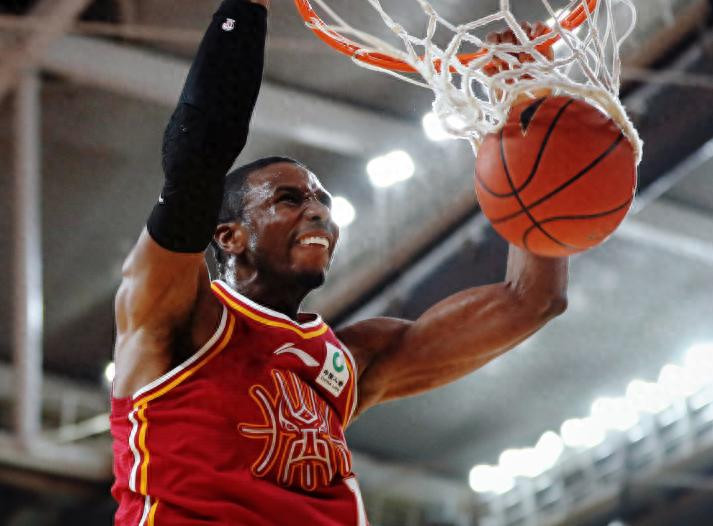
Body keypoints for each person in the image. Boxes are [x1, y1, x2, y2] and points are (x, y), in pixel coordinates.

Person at [110, 1, 568, 525]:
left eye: (323, 202)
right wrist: (245, 11)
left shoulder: (348, 360)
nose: (317, 212)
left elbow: (533, 299)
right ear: (229, 236)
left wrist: (531, 116)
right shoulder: (179, 316)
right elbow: (195, 160)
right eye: (288, 199)